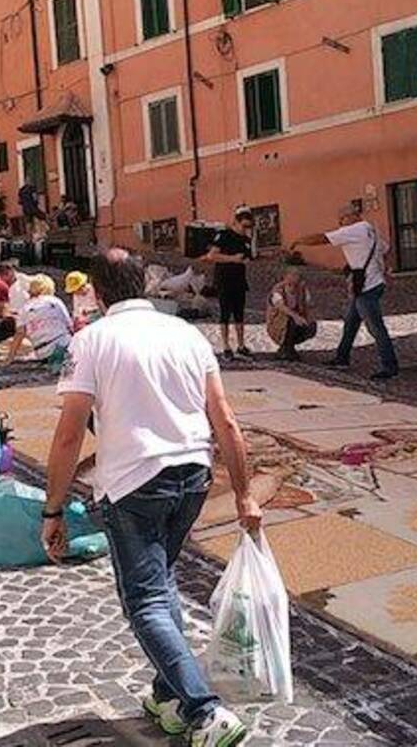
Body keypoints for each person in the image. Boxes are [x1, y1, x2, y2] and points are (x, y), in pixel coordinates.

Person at [43, 248, 261, 747]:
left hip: (134, 483)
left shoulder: (91, 340)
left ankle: (205, 711)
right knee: (161, 584)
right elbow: (224, 419)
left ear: (96, 294)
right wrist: (245, 495)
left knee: (143, 601)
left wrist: (52, 509)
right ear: (143, 282)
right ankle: (168, 697)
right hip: (193, 476)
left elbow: (68, 434)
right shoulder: (185, 333)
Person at [294, 204, 398, 379]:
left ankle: (390, 366)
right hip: (373, 283)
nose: (340, 223)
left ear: (350, 216)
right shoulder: (370, 229)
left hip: (367, 287)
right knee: (350, 323)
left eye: (341, 219)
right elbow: (386, 250)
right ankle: (342, 357)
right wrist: (383, 268)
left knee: (376, 328)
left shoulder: (354, 230)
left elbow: (323, 238)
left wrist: (298, 241)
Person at [201, 206, 253, 360]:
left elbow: (247, 257)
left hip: (239, 279)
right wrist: (232, 259)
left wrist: (245, 260)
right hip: (224, 279)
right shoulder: (224, 235)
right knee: (225, 314)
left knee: (239, 314)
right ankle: (225, 346)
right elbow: (211, 256)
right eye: (244, 226)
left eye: (249, 227)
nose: (246, 230)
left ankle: (241, 345)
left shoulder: (246, 240)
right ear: (236, 223)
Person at [4, 274, 72, 368]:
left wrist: (9, 358)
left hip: (42, 352)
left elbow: (19, 334)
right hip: (63, 344)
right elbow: (69, 325)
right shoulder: (55, 301)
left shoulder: (24, 308)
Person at [267, 268, 316, 362]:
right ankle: (285, 348)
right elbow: (280, 306)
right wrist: (296, 317)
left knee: (310, 326)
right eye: (290, 283)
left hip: (296, 320)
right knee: (291, 321)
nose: (293, 287)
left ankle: (290, 347)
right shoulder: (278, 290)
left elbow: (307, 305)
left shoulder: (302, 290)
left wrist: (307, 319)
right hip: (278, 323)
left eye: (295, 283)